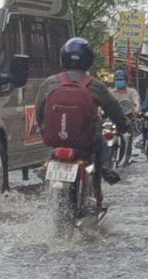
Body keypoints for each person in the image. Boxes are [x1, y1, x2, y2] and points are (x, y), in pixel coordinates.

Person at [35, 37, 129, 185]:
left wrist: (44, 129)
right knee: (102, 142)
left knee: (55, 145)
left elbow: (39, 111)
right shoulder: (95, 85)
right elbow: (114, 110)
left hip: (56, 138)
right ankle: (105, 169)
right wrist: (124, 126)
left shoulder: (50, 83)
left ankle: (45, 167)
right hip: (87, 141)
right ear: (89, 60)